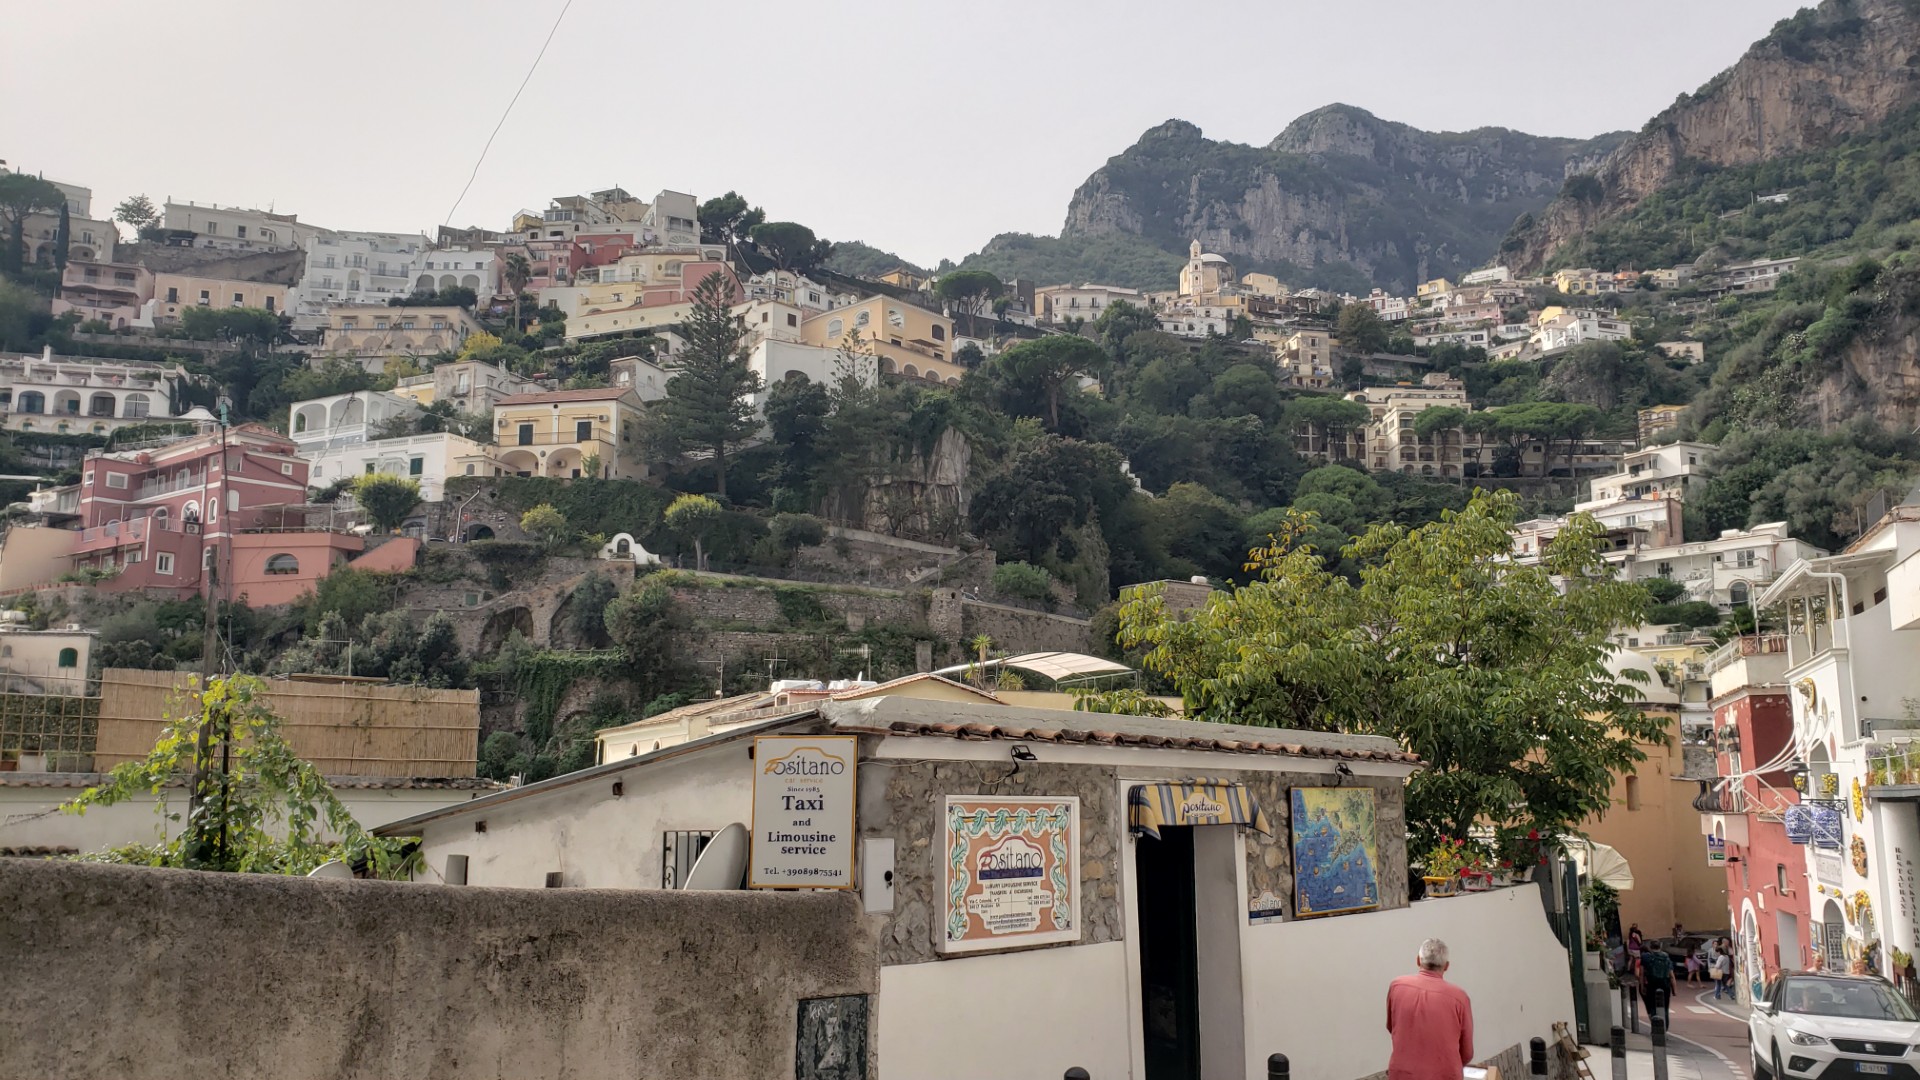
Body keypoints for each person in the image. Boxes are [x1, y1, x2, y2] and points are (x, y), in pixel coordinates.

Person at [1386, 938, 1475, 1080]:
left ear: (1418, 960)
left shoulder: (1396, 986)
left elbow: (1392, 1027)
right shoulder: (1459, 998)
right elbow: (1467, 1052)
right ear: (1446, 966)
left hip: (1402, 1074)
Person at [1641, 943, 1675, 1021]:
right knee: (1665, 1006)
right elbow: (1672, 976)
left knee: (1653, 1005)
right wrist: (1674, 990)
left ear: (1650, 947)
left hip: (1651, 984)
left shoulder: (1646, 957)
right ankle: (1665, 1026)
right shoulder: (1666, 957)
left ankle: (1655, 1025)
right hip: (1665, 985)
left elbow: (1641, 974)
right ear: (1660, 946)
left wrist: (1642, 986)